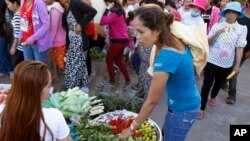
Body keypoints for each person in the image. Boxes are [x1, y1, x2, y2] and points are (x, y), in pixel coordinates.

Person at [119, 6, 201, 141]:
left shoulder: (166, 56)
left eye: (141, 32)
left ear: (157, 31)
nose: (137, 37)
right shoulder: (172, 38)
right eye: (135, 31)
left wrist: (131, 128)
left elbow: (151, 101)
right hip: (185, 104)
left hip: (182, 111)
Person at [0, 61, 72, 141]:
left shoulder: (2, 111)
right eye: (48, 86)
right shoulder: (55, 116)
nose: (50, 89)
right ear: (38, 92)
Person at [199, 1, 247, 119]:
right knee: (207, 84)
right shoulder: (217, 26)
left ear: (237, 14)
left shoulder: (241, 29)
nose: (230, 15)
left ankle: (214, 96)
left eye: (233, 12)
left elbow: (240, 47)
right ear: (225, 13)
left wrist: (237, 65)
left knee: (218, 83)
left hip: (226, 63)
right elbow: (207, 43)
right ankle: (201, 107)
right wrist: (215, 34)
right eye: (228, 12)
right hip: (212, 59)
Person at [60, 0, 97, 92]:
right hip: (72, 40)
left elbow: (92, 11)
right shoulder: (67, 6)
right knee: (78, 63)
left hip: (79, 40)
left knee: (74, 64)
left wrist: (81, 25)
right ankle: (79, 86)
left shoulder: (75, 3)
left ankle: (73, 87)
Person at [100, 0, 131, 89]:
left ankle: (112, 82)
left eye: (106, 2)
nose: (105, 4)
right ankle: (128, 81)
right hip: (122, 40)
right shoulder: (119, 11)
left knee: (109, 60)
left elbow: (102, 22)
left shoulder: (115, 13)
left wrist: (107, 9)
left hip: (118, 40)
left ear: (111, 2)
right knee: (118, 61)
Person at [225, 0, 250, 104]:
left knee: (234, 71)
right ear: (248, 3)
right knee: (228, 69)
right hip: (232, 48)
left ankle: (232, 95)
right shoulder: (240, 17)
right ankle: (223, 83)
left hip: (245, 51)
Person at [45, 0, 67, 82]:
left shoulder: (55, 9)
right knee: (57, 60)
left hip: (57, 40)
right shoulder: (59, 7)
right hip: (60, 38)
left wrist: (50, 41)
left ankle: (56, 77)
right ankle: (56, 76)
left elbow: (54, 27)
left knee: (56, 61)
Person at [5, 0, 24, 79]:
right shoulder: (22, 13)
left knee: (17, 69)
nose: (7, 6)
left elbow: (17, 33)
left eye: (8, 4)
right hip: (23, 46)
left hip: (19, 47)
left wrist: (13, 47)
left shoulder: (17, 15)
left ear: (15, 3)